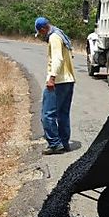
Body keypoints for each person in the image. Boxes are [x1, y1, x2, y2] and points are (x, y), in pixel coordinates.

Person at [36, 17, 76, 155]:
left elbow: (58, 58)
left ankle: (54, 143)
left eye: (40, 33)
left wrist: (52, 77)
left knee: (47, 114)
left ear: (42, 29)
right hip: (68, 80)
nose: (41, 36)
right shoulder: (60, 34)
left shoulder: (54, 37)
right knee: (63, 114)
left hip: (58, 81)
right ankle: (64, 143)